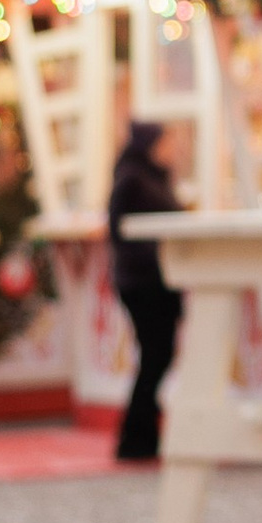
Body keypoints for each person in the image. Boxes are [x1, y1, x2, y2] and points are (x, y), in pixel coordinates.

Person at [106, 119, 183, 465]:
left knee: (157, 356)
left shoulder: (149, 178)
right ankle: (136, 436)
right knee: (155, 356)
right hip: (144, 282)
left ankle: (142, 434)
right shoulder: (134, 180)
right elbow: (121, 233)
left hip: (154, 281)